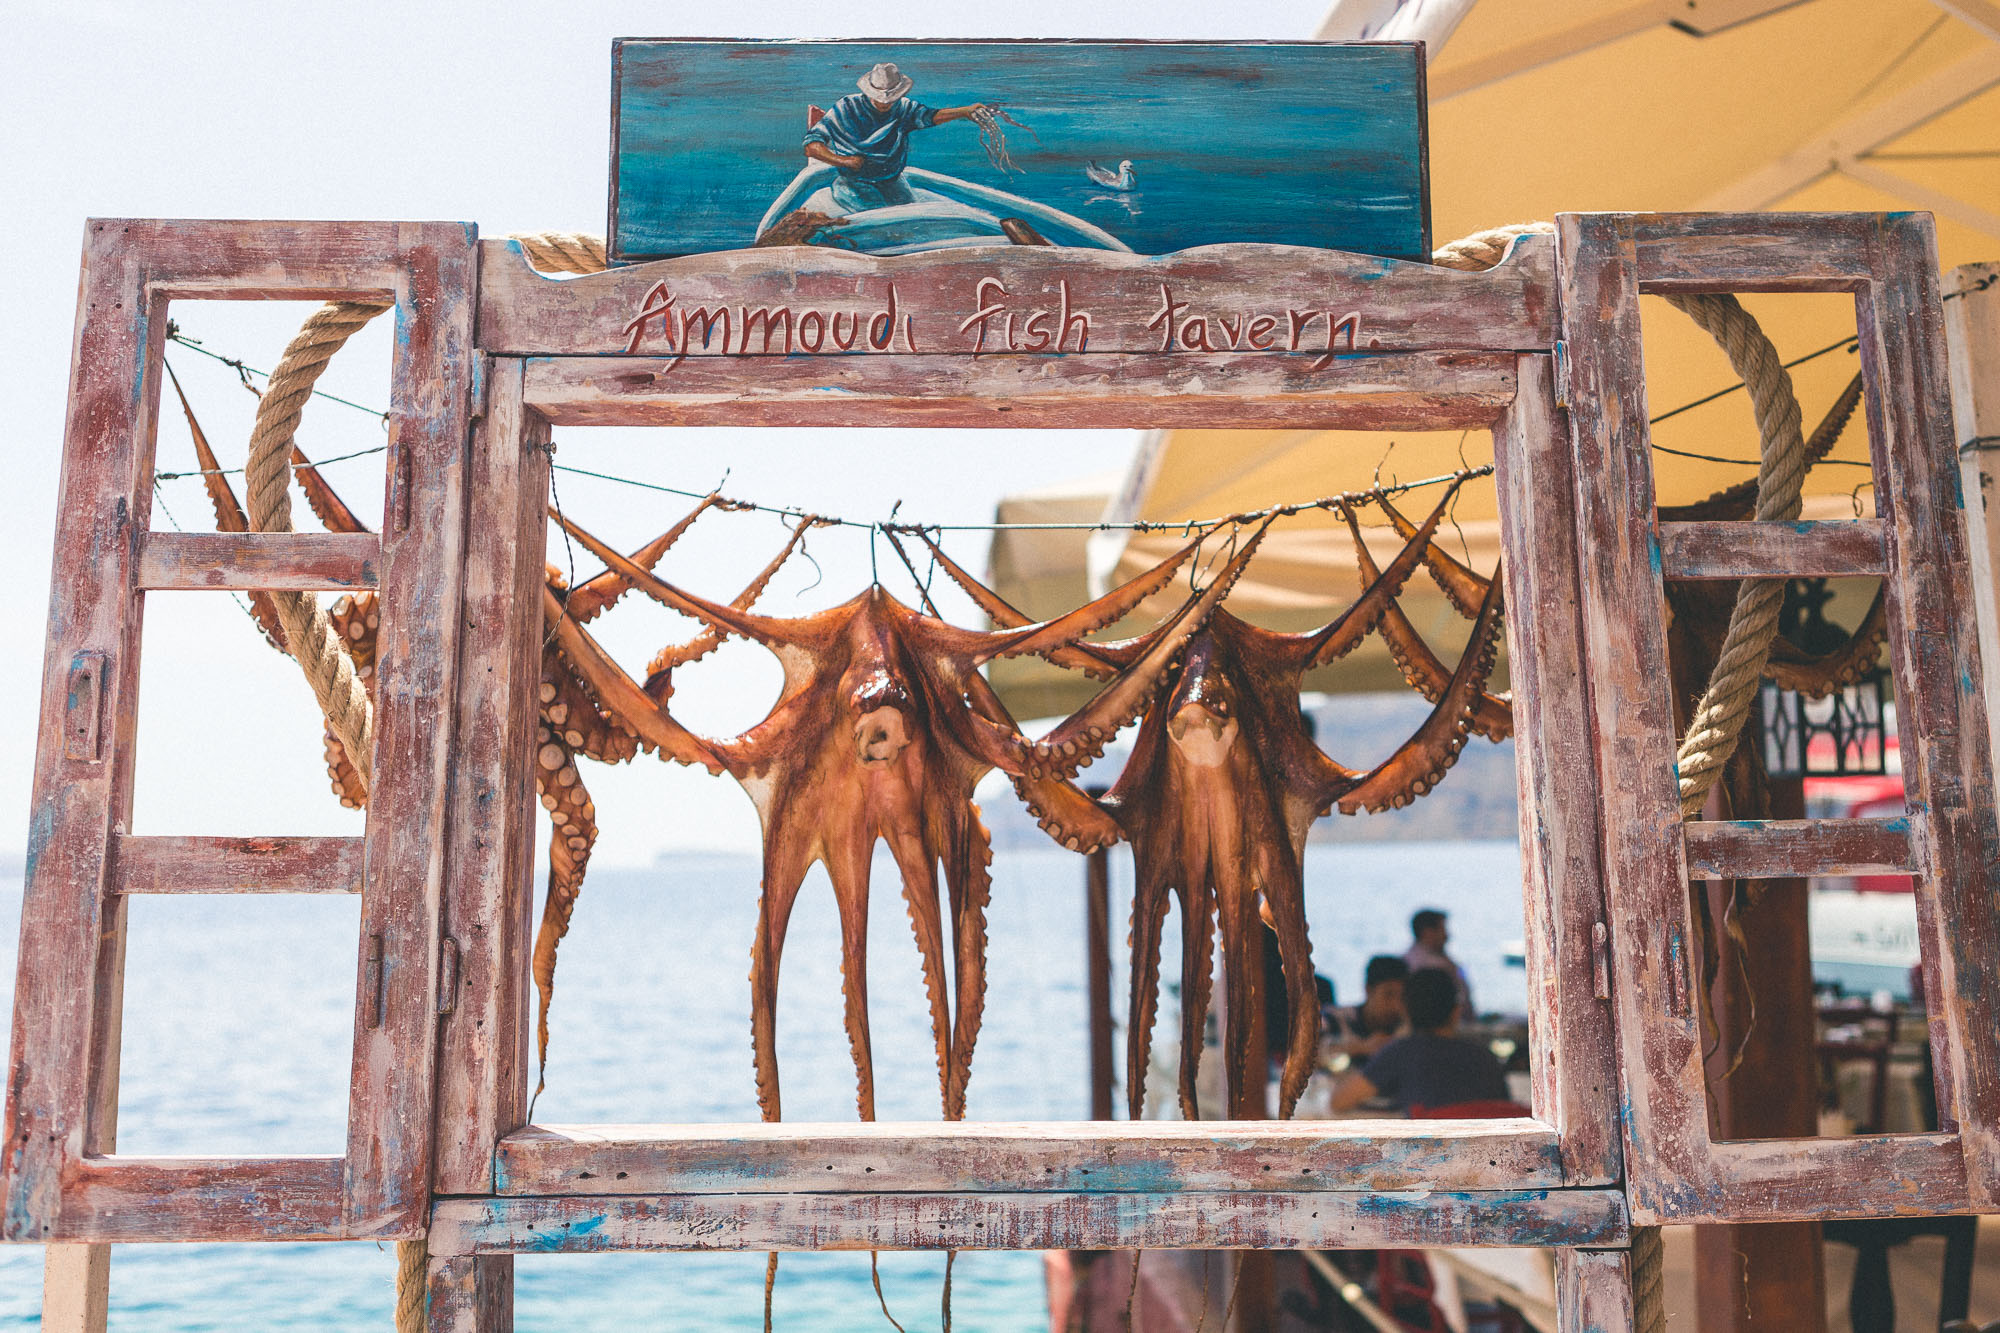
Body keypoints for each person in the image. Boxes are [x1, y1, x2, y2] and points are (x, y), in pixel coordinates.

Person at [803, 63, 993, 214]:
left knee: (909, 215)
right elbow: (812, 145)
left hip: (891, 180)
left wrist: (964, 112)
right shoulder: (845, 108)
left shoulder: (903, 107)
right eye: (880, 98)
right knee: (880, 216)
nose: (886, 103)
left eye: (892, 98)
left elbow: (930, 116)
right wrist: (844, 161)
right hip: (854, 182)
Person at [1328, 968, 1508, 1113]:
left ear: (1405, 1010)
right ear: (1456, 1012)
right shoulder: (1485, 1057)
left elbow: (1339, 1101)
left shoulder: (1402, 1052)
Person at [1324, 955, 1408, 1059]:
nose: (1396, 1005)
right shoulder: (1337, 1019)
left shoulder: (1406, 1030)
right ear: (1369, 990)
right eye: (1388, 994)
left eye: (1402, 997)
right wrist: (1362, 1047)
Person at [1402, 907, 1474, 1019]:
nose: (1447, 936)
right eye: (1443, 929)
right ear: (1428, 932)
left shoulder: (1408, 958)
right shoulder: (1434, 966)